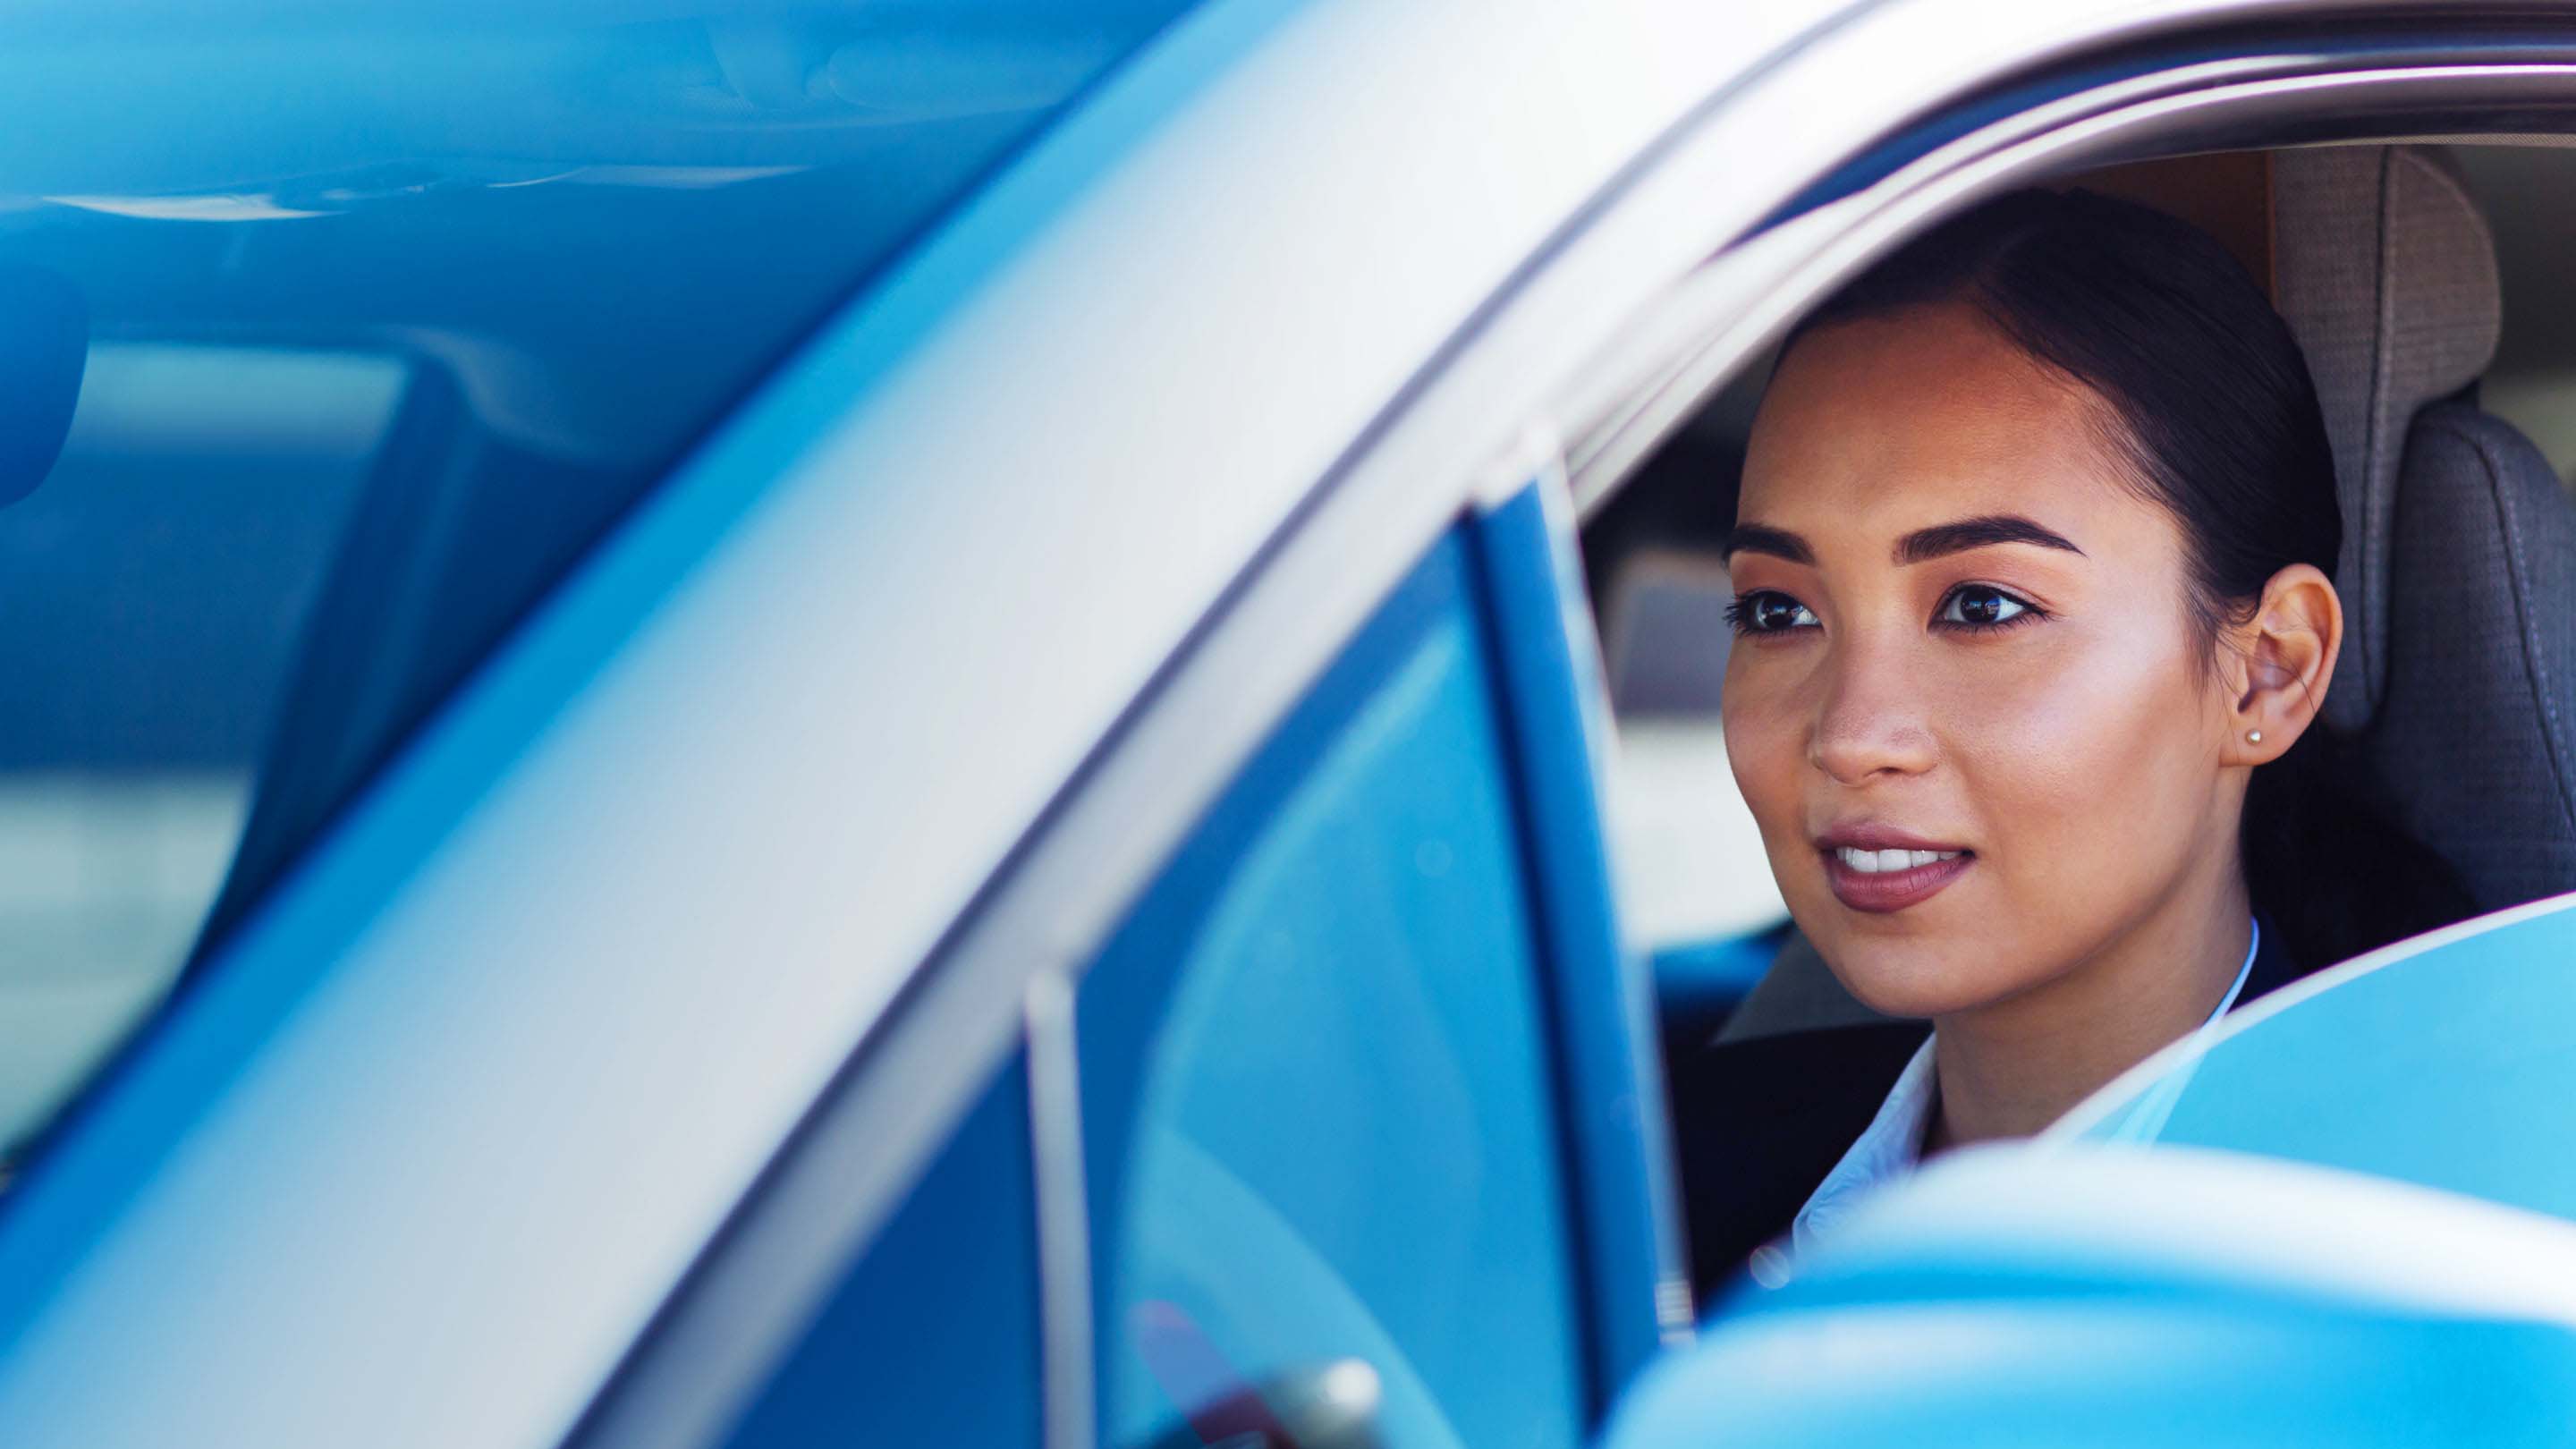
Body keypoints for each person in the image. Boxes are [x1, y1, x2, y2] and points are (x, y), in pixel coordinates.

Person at [1670, 188, 2474, 1296]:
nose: (1853, 738)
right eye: (1779, 613)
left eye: (1985, 607)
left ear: (2271, 666)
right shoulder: (1646, 1184)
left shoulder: (2449, 1267)